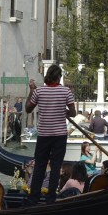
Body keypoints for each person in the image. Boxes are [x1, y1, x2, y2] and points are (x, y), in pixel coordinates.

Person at [25, 63, 76, 203]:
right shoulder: (66, 92)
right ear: (59, 77)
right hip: (59, 135)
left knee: (40, 166)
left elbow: (28, 109)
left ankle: (33, 197)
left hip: (44, 135)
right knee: (55, 166)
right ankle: (51, 198)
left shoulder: (39, 91)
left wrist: (31, 91)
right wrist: (61, 110)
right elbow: (73, 113)